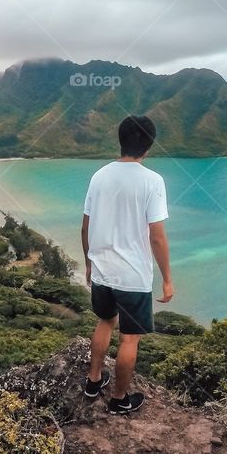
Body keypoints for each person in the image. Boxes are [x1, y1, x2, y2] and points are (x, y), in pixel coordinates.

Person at [80, 114, 173, 415]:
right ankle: (119, 399)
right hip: (132, 276)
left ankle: (93, 381)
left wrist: (89, 264)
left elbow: (85, 226)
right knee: (129, 337)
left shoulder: (99, 176)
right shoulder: (153, 181)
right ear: (148, 146)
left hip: (103, 269)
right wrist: (167, 279)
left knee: (105, 321)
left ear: (121, 141)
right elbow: (157, 237)